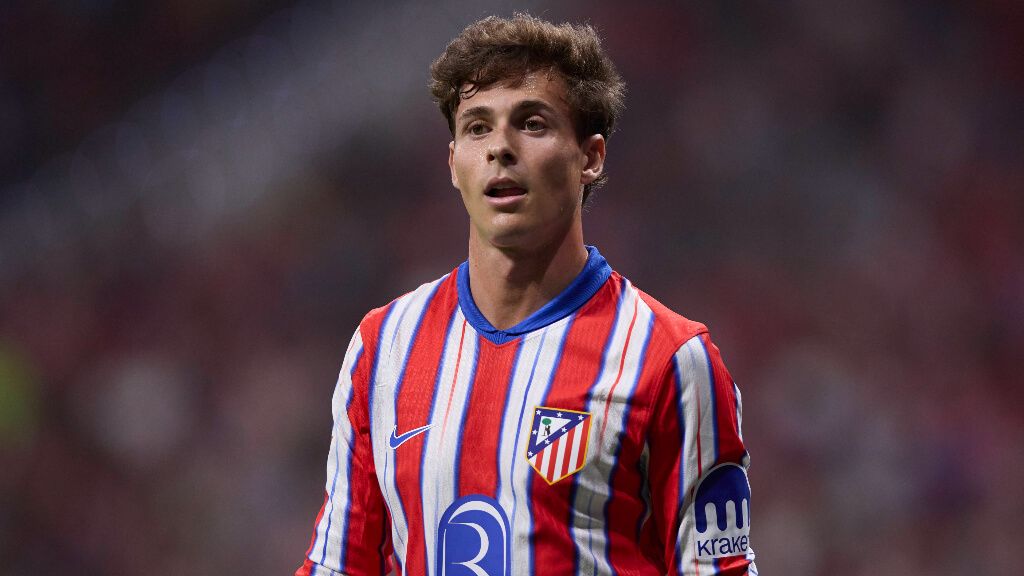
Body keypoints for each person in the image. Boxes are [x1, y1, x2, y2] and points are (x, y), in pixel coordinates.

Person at [297, 13, 756, 576]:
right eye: (477, 128)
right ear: (453, 164)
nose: (500, 148)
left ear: (590, 158)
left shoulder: (668, 359)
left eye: (532, 123)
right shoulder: (384, 347)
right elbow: (338, 565)